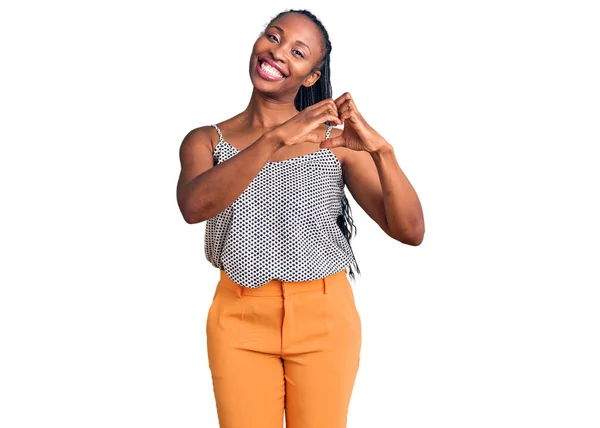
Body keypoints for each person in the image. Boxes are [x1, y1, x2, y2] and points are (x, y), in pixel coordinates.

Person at [176, 8, 424, 428]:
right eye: (272, 37)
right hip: (239, 319)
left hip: (325, 317)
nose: (277, 52)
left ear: (311, 76)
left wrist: (383, 152)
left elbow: (410, 231)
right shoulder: (206, 140)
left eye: (297, 51)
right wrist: (275, 138)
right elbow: (193, 207)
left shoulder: (335, 143)